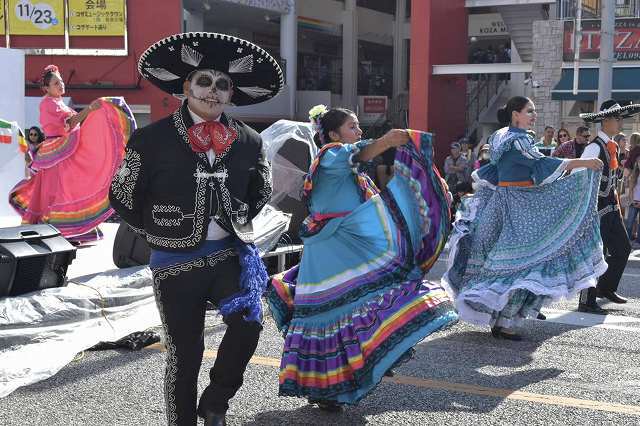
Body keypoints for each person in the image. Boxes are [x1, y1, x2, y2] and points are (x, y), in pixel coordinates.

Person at [109, 32, 280, 426]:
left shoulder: (250, 141)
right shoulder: (150, 139)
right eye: (204, 81)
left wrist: (235, 220)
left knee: (250, 324)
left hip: (227, 256)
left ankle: (216, 401)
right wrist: (156, 231)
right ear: (186, 87)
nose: (213, 91)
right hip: (174, 259)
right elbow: (122, 195)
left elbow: (262, 190)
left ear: (231, 93)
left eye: (223, 84)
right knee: (184, 354)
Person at [267, 105, 457, 411]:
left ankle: (357, 366)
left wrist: (429, 186)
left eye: (358, 127)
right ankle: (328, 386)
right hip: (331, 247)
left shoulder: (349, 171)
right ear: (332, 134)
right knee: (333, 311)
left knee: (351, 305)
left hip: (343, 243)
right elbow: (360, 152)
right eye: (352, 127)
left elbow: (381, 202)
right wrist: (389, 140)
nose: (358, 132)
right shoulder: (331, 155)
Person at [443, 96, 605, 340]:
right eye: (530, 111)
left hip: (501, 200)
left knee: (504, 260)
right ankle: (503, 321)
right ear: (515, 114)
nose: (534, 115)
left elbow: (501, 170)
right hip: (519, 203)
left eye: (534, 111)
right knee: (524, 261)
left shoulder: (499, 137)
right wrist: (585, 163)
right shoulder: (518, 140)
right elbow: (543, 163)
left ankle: (500, 319)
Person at [9, 65, 135, 243]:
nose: (60, 85)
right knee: (58, 191)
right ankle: (56, 231)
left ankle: (69, 231)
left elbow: (72, 124)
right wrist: (90, 109)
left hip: (63, 149)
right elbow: (70, 123)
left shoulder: (59, 102)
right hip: (55, 152)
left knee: (68, 188)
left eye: (61, 81)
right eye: (55, 83)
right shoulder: (48, 103)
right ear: (46, 88)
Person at [577, 100, 640, 313]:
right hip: (595, 209)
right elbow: (579, 176)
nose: (620, 122)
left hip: (611, 207)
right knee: (596, 253)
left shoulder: (612, 145)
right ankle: (586, 301)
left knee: (623, 248)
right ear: (606, 120)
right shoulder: (594, 146)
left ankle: (606, 288)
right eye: (617, 118)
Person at [624, 133, 640, 250]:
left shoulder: (635, 150)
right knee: (629, 222)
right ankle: (627, 240)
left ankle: (638, 241)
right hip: (634, 200)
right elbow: (631, 186)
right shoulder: (634, 175)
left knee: (638, 223)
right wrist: (631, 199)